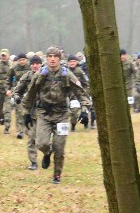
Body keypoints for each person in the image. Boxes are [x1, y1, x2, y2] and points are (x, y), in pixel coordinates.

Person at [21, 46, 91, 184]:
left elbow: (80, 92)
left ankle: (57, 175)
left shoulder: (67, 74)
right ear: (46, 59)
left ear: (60, 59)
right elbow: (30, 94)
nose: (52, 59)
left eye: (55, 57)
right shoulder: (40, 74)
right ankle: (47, 153)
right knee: (41, 143)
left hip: (62, 115)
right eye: (50, 56)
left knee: (59, 147)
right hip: (44, 114)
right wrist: (26, 113)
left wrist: (84, 110)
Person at [12, 54, 43, 169]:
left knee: (43, 138)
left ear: (41, 64)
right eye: (33, 64)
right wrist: (17, 97)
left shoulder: (47, 75)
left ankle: (48, 151)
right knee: (31, 136)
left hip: (46, 111)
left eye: (37, 64)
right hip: (31, 110)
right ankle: (33, 161)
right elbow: (17, 90)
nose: (35, 66)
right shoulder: (27, 76)